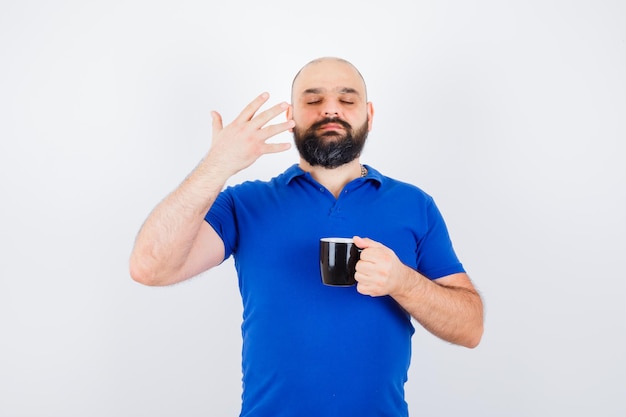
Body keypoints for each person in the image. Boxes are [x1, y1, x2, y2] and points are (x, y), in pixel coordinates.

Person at [130, 57, 484, 417]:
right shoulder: (245, 203)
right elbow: (150, 267)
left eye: (347, 100)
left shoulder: (415, 205)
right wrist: (217, 164)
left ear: (370, 115)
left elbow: (470, 328)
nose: (330, 109)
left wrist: (403, 282)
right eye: (313, 101)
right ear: (292, 117)